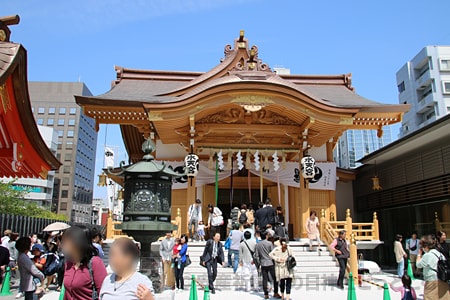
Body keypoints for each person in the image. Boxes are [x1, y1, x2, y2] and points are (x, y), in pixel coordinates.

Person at [62, 226, 107, 300]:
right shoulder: (69, 263)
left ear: (79, 243)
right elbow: (67, 293)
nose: (65, 245)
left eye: (68, 242)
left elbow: (103, 294)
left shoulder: (95, 263)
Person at [416, 235, 450, 300]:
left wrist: (419, 254)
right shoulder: (440, 254)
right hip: (443, 279)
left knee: (429, 297)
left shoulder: (427, 255)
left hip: (431, 281)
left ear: (425, 246)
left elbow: (418, 264)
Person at [255, 231, 281, 299]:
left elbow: (256, 256)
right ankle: (275, 292)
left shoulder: (258, 244)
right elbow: (273, 253)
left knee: (265, 279)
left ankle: (266, 294)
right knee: (275, 278)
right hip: (270, 262)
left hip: (263, 263)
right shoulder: (269, 243)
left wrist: (258, 263)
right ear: (266, 236)